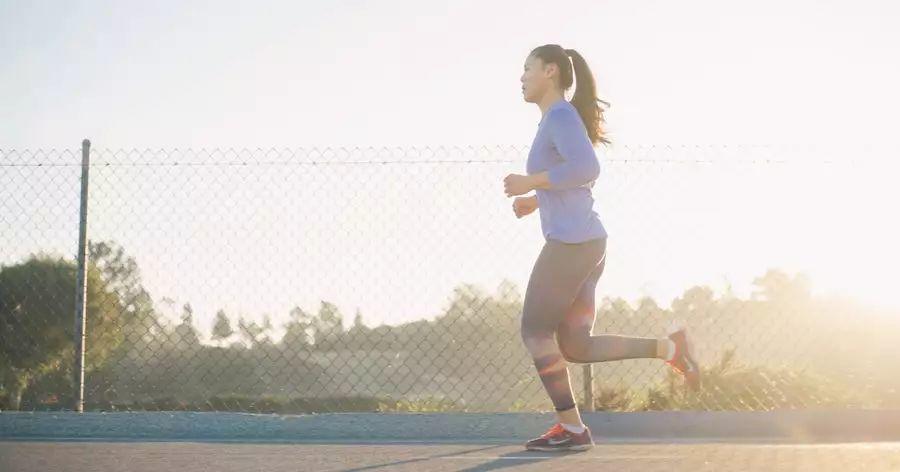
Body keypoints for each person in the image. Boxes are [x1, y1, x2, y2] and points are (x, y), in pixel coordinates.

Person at [503, 44, 700, 452]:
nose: (521, 77)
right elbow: (576, 178)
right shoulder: (556, 119)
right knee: (575, 345)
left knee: (535, 331)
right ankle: (671, 348)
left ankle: (573, 430)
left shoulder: (559, 115)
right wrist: (536, 201)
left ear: (551, 72)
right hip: (588, 241)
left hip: (573, 244)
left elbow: (588, 169)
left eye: (527, 69)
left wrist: (531, 182)